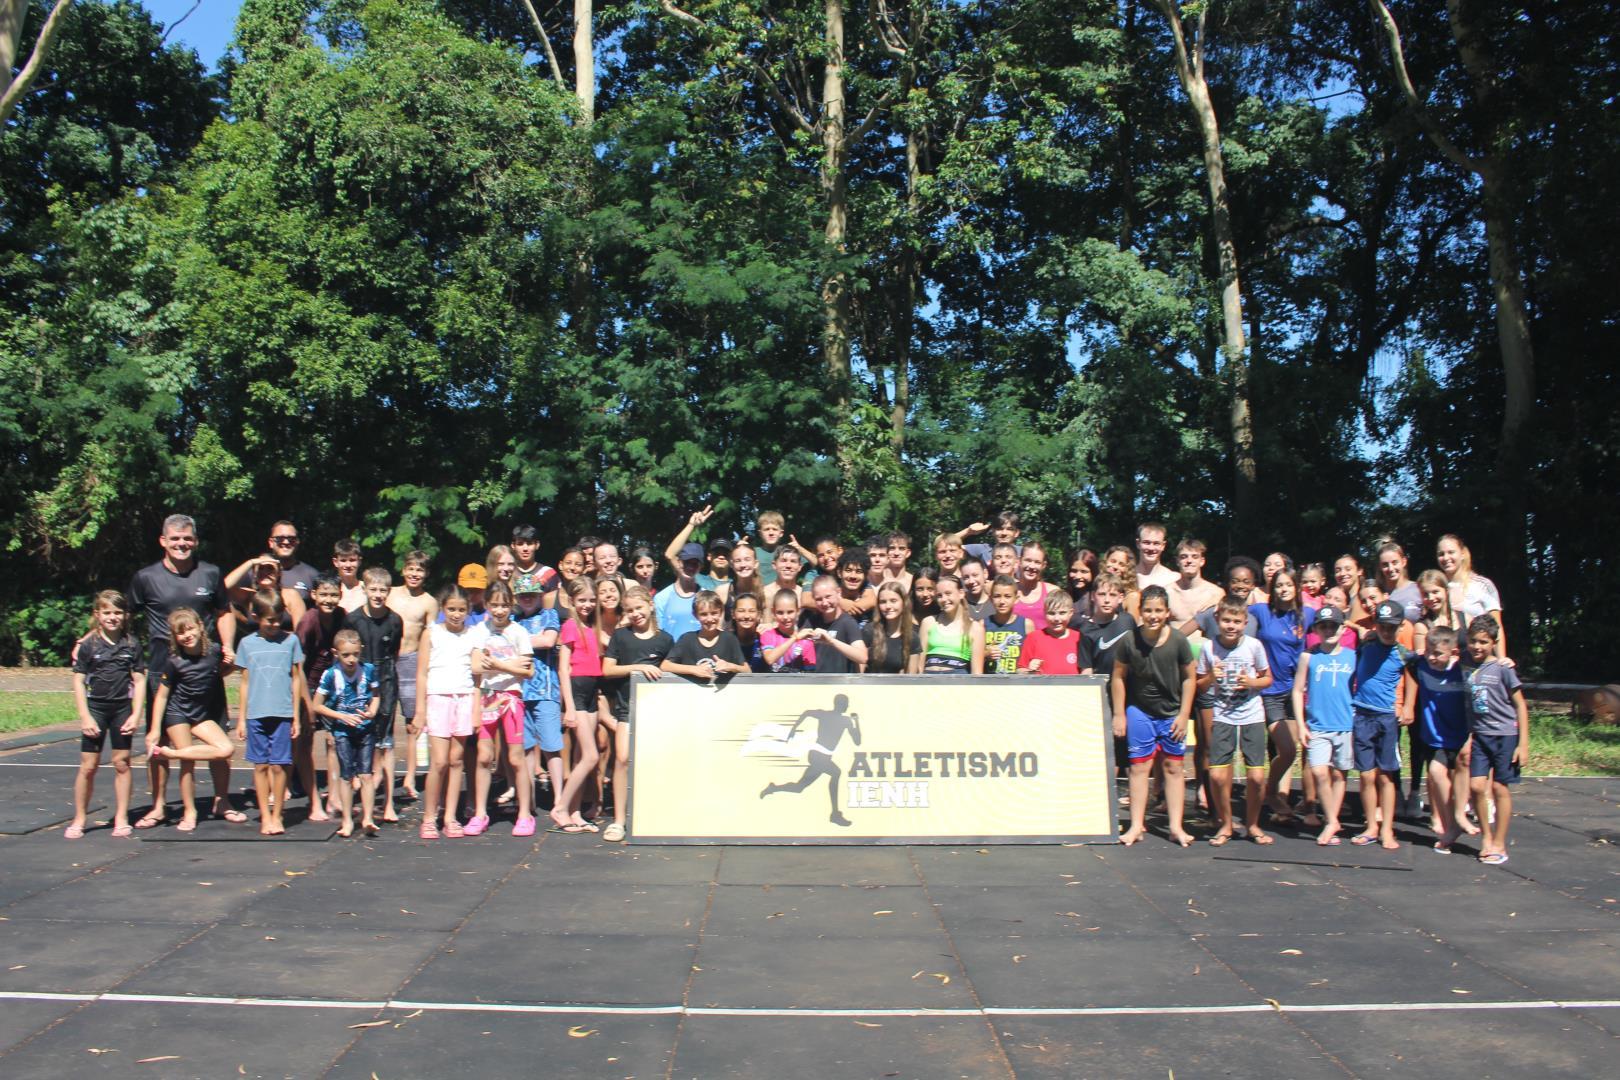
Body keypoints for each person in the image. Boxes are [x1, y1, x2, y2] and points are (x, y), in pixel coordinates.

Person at [127, 514, 238, 828]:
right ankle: (158, 806)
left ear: (196, 541)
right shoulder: (145, 577)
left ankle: (222, 801)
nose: (182, 544)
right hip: (163, 673)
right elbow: (124, 617)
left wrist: (227, 646)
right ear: (163, 541)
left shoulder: (211, 573)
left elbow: (224, 612)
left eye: (187, 538)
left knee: (219, 739)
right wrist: (90, 639)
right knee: (160, 742)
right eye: (175, 539)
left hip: (205, 674)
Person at [1112, 585, 1196, 847]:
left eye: (1159, 610)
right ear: (1140, 612)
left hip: (1171, 711)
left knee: (1173, 768)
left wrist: (1183, 715)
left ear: (1167, 612)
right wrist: (1119, 714)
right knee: (1138, 768)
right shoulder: (1129, 641)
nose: (1153, 616)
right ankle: (1136, 825)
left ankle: (1175, 827)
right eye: (1148, 610)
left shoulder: (1179, 641)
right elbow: (1118, 676)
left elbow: (1190, 679)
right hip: (1140, 711)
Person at [145, 607, 236, 828]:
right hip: (178, 713)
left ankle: (172, 754)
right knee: (188, 763)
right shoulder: (174, 661)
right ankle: (190, 811)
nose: (186, 636)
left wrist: (230, 662)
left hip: (201, 714)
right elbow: (162, 695)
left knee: (226, 749)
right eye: (180, 633)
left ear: (200, 627)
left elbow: (219, 671)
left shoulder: (214, 651)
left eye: (190, 629)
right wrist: (156, 728)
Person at [67, 590, 146, 838]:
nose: (113, 617)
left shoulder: (132, 644)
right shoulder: (88, 645)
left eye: (118, 612)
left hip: (122, 708)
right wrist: (85, 716)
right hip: (96, 709)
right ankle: (80, 818)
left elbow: (140, 679)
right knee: (88, 766)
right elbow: (79, 681)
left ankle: (122, 817)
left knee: (122, 763)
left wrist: (136, 715)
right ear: (98, 615)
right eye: (107, 612)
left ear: (125, 615)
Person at [1196, 596, 1274, 846]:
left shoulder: (1254, 646)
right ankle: (1226, 824)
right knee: (1218, 776)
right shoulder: (1209, 648)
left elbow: (1267, 679)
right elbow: (1199, 685)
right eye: (1227, 620)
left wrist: (1252, 682)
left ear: (1245, 622)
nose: (1231, 626)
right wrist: (1211, 676)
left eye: (1237, 621)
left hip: (1251, 714)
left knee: (1256, 777)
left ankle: (1253, 825)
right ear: (1217, 620)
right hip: (1223, 714)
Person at [600, 585, 674, 842]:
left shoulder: (665, 640)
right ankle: (619, 820)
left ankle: (653, 815)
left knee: (654, 763)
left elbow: (671, 670)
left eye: (639, 608)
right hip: (626, 708)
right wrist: (638, 668)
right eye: (629, 610)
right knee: (621, 758)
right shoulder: (621, 637)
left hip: (656, 712)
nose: (635, 614)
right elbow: (607, 670)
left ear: (651, 606)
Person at [233, 591, 305, 836]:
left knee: (279, 766)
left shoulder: (291, 641)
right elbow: (244, 682)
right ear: (256, 617)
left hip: (282, 714)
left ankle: (278, 815)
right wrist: (241, 718)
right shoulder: (247, 644)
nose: (275, 625)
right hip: (256, 715)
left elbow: (296, 679)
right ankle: (265, 816)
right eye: (269, 620)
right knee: (261, 766)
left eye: (278, 619)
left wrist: (295, 715)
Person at [467, 582, 536, 837]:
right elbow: (475, 667)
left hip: (511, 698)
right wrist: (510, 664)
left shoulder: (518, 632)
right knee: (484, 757)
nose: (499, 610)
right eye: (494, 604)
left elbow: (527, 671)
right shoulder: (478, 631)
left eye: (504, 605)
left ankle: (526, 813)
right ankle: (480, 813)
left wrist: (497, 664)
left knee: (516, 757)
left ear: (511, 605)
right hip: (486, 697)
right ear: (486, 605)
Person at [1249, 567, 1315, 822]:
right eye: (1278, 585)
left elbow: (1337, 624)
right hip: (1270, 691)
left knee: (1292, 749)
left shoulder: (1306, 615)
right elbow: (1227, 612)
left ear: (1297, 587)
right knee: (1286, 749)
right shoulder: (1261, 611)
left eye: (1288, 584)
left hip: (1295, 692)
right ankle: (1271, 791)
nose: (1283, 589)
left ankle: (1277, 795)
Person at [1463, 616, 1528, 867]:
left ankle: (1499, 842)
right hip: (1481, 735)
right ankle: (1486, 838)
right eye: (1473, 641)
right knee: (1477, 787)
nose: (1477, 646)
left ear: (1493, 643)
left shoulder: (1503, 668)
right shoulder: (1466, 664)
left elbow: (1521, 705)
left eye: (1483, 642)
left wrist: (1523, 744)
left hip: (1505, 736)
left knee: (1500, 788)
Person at [1349, 601, 1414, 851]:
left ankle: (1387, 828)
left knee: (1386, 776)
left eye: (1392, 627)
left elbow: (1414, 677)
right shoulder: (1365, 647)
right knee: (1366, 775)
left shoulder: (1403, 653)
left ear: (1400, 626)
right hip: (1362, 715)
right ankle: (1371, 826)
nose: (1387, 631)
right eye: (1382, 626)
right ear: (1376, 625)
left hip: (1387, 718)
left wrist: (1407, 706)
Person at [416, 584, 479, 840]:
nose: (456, 614)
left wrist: (476, 710)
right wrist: (420, 710)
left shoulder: (473, 634)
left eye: (461, 609)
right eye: (451, 609)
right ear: (443, 608)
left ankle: (450, 816)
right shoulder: (431, 633)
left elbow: (477, 677)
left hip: (463, 699)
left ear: (468, 610)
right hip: (438, 698)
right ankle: (430, 816)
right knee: (439, 761)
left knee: (456, 761)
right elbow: (421, 674)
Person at [1291, 604, 1356, 847]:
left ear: (1342, 627)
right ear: (1316, 629)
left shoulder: (1352, 656)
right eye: (1323, 626)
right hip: (1317, 725)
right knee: (1319, 771)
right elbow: (1297, 691)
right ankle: (1331, 821)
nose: (1328, 630)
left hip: (1345, 725)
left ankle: (1332, 818)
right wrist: (1300, 723)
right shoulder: (1309, 656)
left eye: (1333, 625)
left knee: (1339, 774)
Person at [1404, 625, 1474, 850]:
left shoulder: (1463, 671)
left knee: (1461, 780)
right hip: (1436, 738)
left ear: (1453, 653)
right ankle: (1451, 822)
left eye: (1438, 654)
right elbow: (1396, 649)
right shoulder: (1420, 665)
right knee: (1435, 772)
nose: (1433, 658)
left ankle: (1459, 817)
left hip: (1461, 737)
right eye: (1429, 652)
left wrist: (1503, 660)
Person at [345, 568, 403, 823]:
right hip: (359, 681)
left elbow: (395, 652)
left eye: (383, 590)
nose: (378, 595)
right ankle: (358, 801)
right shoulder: (353, 619)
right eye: (374, 590)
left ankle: (389, 803)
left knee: (386, 744)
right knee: (357, 738)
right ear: (364, 590)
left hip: (386, 679)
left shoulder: (395, 620)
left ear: (389, 592)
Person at [311, 629, 380, 837]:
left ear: (361, 652)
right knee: (346, 776)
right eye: (345, 655)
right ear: (336, 653)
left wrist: (372, 711)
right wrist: (341, 716)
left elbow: (376, 695)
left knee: (367, 774)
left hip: (365, 729)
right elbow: (317, 705)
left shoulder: (368, 670)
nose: (351, 660)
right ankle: (347, 820)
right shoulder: (331, 675)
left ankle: (367, 817)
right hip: (342, 731)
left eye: (355, 654)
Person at [388, 551, 438, 802]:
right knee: (382, 717)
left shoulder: (429, 602)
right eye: (410, 569)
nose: (414, 574)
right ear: (403, 570)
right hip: (387, 658)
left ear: (426, 574)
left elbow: (431, 637)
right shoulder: (391, 594)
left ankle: (410, 775)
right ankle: (378, 773)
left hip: (411, 660)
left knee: (412, 722)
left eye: (419, 570)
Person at [554, 577, 603, 833]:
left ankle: (575, 812)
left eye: (591, 600)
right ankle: (560, 807)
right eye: (582, 600)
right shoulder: (571, 626)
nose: (587, 604)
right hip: (577, 691)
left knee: (580, 757)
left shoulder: (592, 626)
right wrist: (570, 707)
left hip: (592, 689)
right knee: (591, 755)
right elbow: (563, 668)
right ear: (571, 600)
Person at [513, 569, 563, 815]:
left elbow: (548, 641)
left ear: (541, 595)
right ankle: (528, 801)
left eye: (532, 594)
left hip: (545, 690)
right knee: (525, 749)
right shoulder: (513, 620)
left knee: (552, 747)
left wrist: (518, 642)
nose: (528, 599)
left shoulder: (550, 615)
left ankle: (560, 801)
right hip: (520, 692)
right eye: (523, 596)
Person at [294, 576, 343, 822]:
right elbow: (297, 667)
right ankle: (314, 801)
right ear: (314, 595)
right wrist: (308, 704)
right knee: (305, 743)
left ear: (340, 595)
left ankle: (334, 796)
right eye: (324, 594)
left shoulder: (342, 616)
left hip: (333, 686)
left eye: (333, 595)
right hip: (308, 684)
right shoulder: (308, 621)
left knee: (335, 741)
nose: (329, 600)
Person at [1438, 535, 1507, 660]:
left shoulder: (1482, 585)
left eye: (1451, 552)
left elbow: (1497, 626)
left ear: (1462, 554)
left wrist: (1501, 658)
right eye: (1441, 554)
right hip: (1448, 664)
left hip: (1479, 661)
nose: (1446, 557)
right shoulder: (1437, 589)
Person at [662, 590, 748, 684]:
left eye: (714, 613)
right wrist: (693, 670)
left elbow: (747, 670)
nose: (709, 619)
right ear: (695, 615)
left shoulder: (729, 639)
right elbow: (665, 666)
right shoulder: (687, 639)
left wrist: (730, 666)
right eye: (704, 614)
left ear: (721, 612)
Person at [918, 575, 985, 674]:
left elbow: (977, 672)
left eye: (948, 593)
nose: (944, 599)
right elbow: (919, 666)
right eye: (939, 596)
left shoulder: (975, 628)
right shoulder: (928, 622)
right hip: (929, 681)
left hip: (958, 682)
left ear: (961, 593)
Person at [802, 575, 869, 673]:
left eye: (828, 596)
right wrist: (797, 638)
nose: (824, 603)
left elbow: (862, 657)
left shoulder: (848, 623)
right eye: (819, 599)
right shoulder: (812, 622)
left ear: (839, 593)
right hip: (815, 684)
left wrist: (831, 641)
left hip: (839, 685)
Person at [223, 556, 307, 631]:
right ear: (254, 573)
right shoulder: (250, 596)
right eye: (260, 568)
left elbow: (300, 632)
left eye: (270, 568)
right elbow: (225, 587)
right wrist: (251, 562)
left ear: (279, 573)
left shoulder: (290, 595)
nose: (265, 572)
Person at [1168, 539, 1225, 641]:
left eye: (1194, 556)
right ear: (1177, 561)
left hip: (1206, 653)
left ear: (1202, 561)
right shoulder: (1168, 592)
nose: (1189, 561)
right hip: (1176, 651)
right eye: (1184, 557)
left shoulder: (1216, 593)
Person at [1018, 591, 1083, 675]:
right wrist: (1029, 670)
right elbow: (1020, 670)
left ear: (1070, 613)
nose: (1056, 618)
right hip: (1042, 687)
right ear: (1044, 613)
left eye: (1062, 613)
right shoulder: (1034, 638)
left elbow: (1087, 670)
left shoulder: (1079, 638)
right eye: (1051, 613)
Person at [864, 580, 919, 674]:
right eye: (883, 602)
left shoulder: (912, 637)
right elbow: (859, 671)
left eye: (893, 601)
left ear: (904, 603)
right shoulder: (869, 631)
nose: (888, 606)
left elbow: (912, 678)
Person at [655, 543, 704, 640]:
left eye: (694, 564)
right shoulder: (662, 598)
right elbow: (657, 634)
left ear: (700, 567)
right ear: (678, 562)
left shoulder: (706, 597)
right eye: (686, 562)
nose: (690, 567)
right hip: (670, 653)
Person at [263, 520, 320, 602]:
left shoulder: (311, 575)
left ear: (297, 542)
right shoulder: (258, 573)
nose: (286, 542)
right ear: (271, 542)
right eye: (280, 538)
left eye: (291, 539)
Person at [762, 590, 817, 672]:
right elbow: (770, 659)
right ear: (773, 612)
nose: (785, 617)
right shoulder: (768, 635)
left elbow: (810, 674)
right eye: (780, 612)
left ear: (798, 611)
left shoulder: (806, 642)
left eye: (790, 612)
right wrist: (795, 638)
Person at [982, 575, 1027, 674]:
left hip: (1017, 684)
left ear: (1016, 598)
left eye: (1007, 596)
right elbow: (973, 656)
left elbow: (1031, 655)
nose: (1002, 601)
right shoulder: (982, 624)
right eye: (997, 596)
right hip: (989, 683)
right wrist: (986, 654)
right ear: (990, 598)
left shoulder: (1026, 624)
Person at [1412, 569, 1462, 657]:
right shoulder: (1422, 627)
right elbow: (1422, 662)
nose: (1431, 598)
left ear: (1446, 591)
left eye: (1435, 592)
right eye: (1425, 594)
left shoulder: (1464, 617)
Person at [1012, 541, 1054, 631]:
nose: (1032, 566)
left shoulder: (1052, 592)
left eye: (1037, 562)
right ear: (1019, 561)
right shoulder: (1008, 592)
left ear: (1044, 565)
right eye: (1028, 560)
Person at [952, 511, 1021, 566]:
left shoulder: (1023, 552)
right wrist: (968, 532)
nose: (1004, 533)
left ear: (1016, 533)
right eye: (999, 529)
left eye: (1009, 529)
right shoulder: (984, 549)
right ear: (993, 531)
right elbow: (944, 545)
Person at [1376, 542, 1423, 622]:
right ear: (1380, 567)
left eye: (1394, 562)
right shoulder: (1377, 594)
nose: (1390, 568)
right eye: (1385, 565)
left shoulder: (1418, 589)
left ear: (1404, 562)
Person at [833, 550, 876, 624]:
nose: (853, 576)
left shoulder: (870, 602)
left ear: (865, 575)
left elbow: (872, 601)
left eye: (859, 571)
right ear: (839, 573)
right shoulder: (831, 593)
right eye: (848, 570)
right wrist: (839, 603)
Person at [732, 592, 770, 672]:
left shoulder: (765, 639)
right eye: (741, 611)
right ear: (733, 614)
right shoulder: (726, 641)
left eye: (752, 611)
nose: (746, 616)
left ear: (759, 615)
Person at [1134, 523, 1178, 589]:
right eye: (1146, 543)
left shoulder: (1174, 579)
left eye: (1156, 543)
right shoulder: (1127, 577)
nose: (1151, 548)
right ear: (1138, 544)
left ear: (1163, 546)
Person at [332, 538, 366, 612]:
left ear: (359, 561)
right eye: (343, 560)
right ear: (335, 562)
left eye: (352, 560)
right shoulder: (330, 590)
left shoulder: (367, 589)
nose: (348, 565)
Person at [1066, 549, 1099, 621]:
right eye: (1074, 571)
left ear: (1093, 573)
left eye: (1084, 571)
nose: (1078, 576)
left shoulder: (1100, 599)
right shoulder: (1064, 597)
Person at [960, 556, 993, 621]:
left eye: (975, 575)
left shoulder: (995, 603)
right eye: (966, 577)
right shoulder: (959, 604)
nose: (971, 581)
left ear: (985, 574)